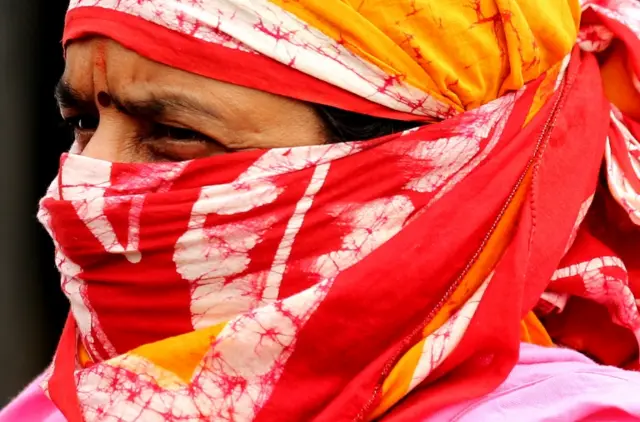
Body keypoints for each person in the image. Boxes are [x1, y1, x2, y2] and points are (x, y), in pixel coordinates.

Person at [1, 0, 640, 420]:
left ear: (424, 167)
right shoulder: (57, 408)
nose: (85, 187)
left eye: (175, 132)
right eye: (82, 122)